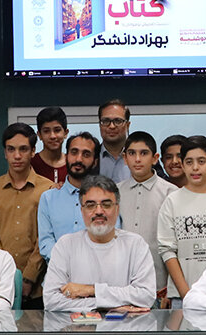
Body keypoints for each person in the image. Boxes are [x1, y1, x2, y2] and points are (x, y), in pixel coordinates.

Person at [41, 175, 155, 311]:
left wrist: (91, 290)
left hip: (125, 324)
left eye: (106, 204)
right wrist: (108, 306)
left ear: (117, 209)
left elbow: (146, 296)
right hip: (76, 325)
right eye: (90, 205)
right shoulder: (65, 245)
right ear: (82, 210)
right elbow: (51, 300)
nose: (99, 211)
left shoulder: (135, 244)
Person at [157, 135, 206, 306]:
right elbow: (167, 250)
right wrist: (187, 295)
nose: (195, 168)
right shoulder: (171, 202)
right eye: (189, 162)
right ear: (182, 165)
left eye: (201, 161)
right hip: (183, 296)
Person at [0, 123, 51, 306]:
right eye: (11, 149)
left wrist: (29, 278)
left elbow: (45, 238)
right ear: (5, 153)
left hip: (38, 286)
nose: (17, 156)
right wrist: (5, 272)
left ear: (33, 152)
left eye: (23, 149)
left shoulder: (48, 189)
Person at [117, 130, 177, 302]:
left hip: (160, 287)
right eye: (132, 153)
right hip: (122, 285)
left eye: (144, 153)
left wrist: (171, 288)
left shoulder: (171, 193)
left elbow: (176, 245)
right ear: (124, 158)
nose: (137, 159)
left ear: (155, 158)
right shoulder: (114, 193)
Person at [37, 132, 103, 261]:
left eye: (86, 154)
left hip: (96, 270)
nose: (78, 159)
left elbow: (111, 238)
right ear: (66, 156)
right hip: (58, 270)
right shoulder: (48, 198)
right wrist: (68, 263)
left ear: (95, 162)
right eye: (74, 152)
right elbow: (45, 243)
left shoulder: (106, 199)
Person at [31, 106, 69, 185]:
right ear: (39, 135)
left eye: (57, 130)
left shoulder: (73, 164)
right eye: (46, 131)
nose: (52, 136)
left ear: (65, 133)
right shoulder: (31, 164)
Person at [97, 99, 132, 182]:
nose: (112, 126)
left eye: (118, 121)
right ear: (100, 125)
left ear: (127, 125)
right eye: (105, 121)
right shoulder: (90, 156)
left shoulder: (142, 155)